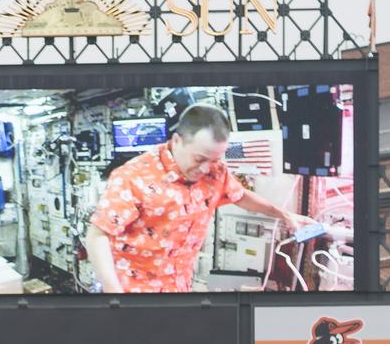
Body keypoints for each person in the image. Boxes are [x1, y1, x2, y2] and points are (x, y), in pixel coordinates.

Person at [85, 102, 310, 293]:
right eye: (199, 159)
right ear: (177, 141)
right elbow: (97, 236)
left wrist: (284, 215)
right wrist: (115, 295)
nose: (206, 168)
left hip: (180, 285)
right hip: (133, 289)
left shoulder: (216, 171)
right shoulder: (133, 177)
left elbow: (240, 196)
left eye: (214, 159)